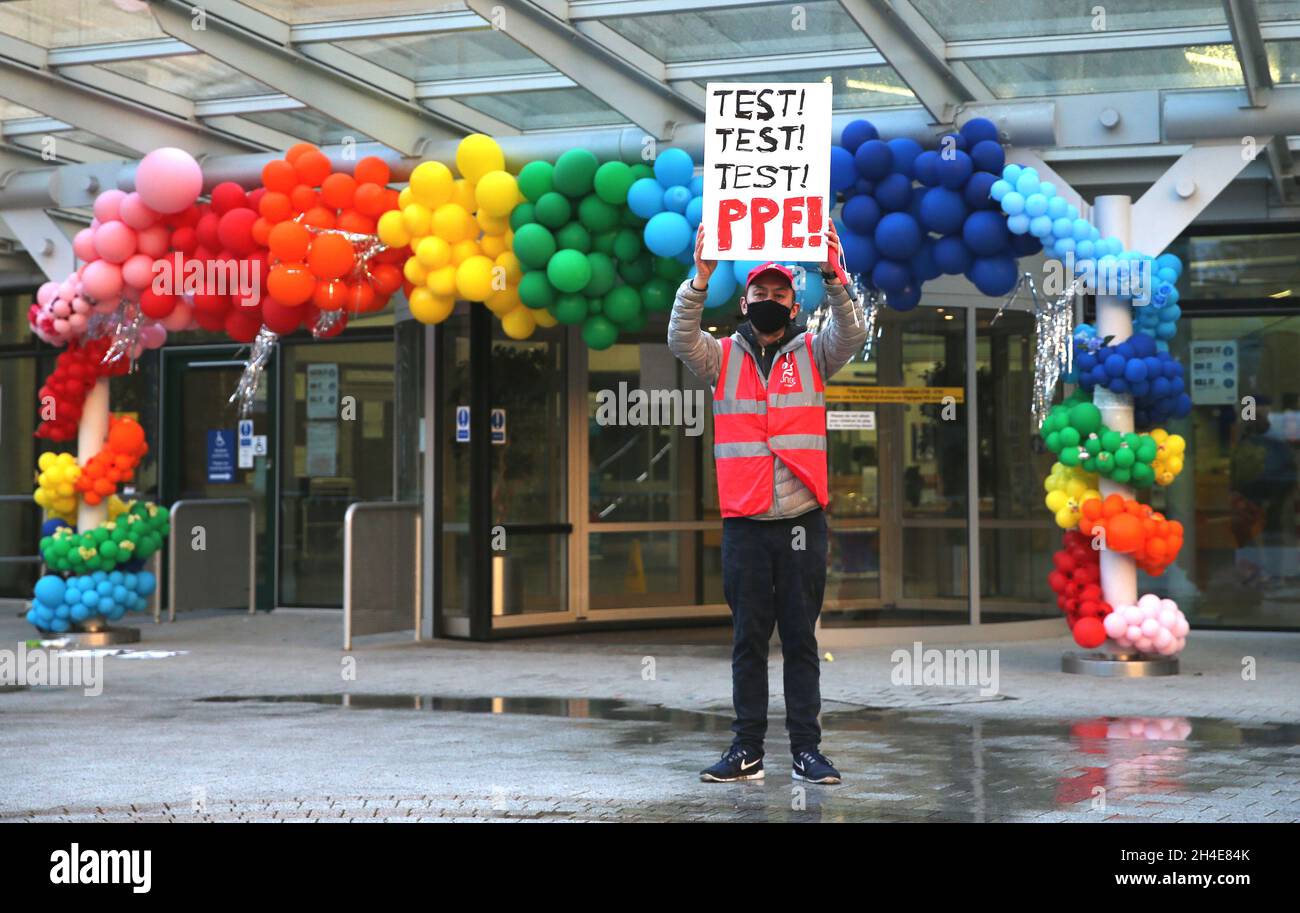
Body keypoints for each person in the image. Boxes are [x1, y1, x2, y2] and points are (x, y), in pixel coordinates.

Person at [668, 221, 867, 784]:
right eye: (761, 294)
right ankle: (746, 750)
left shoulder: (814, 354)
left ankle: (807, 750)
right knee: (748, 641)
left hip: (803, 521)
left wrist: (833, 273)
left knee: (801, 641)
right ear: (746, 300)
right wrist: (701, 277)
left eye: (781, 294)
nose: (771, 301)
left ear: (795, 302)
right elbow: (681, 338)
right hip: (746, 524)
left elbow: (851, 334)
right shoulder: (721, 358)